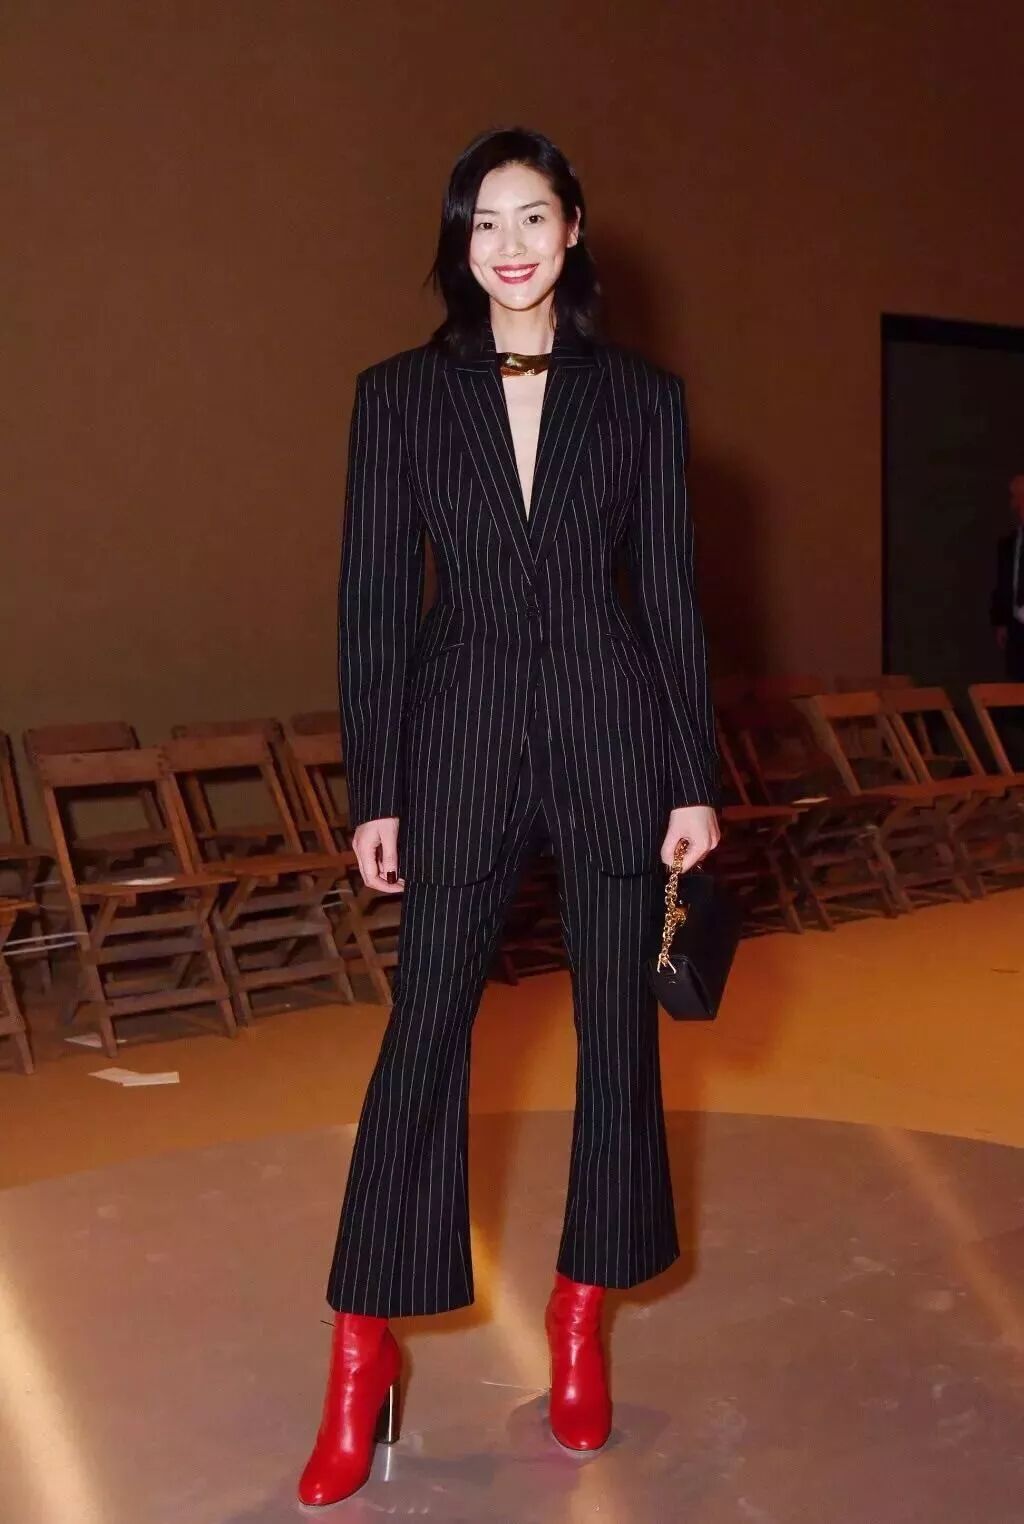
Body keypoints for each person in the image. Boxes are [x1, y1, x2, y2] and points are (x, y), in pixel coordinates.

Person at [297, 126, 721, 1507]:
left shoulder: (643, 400)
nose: (510, 245)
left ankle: (580, 1318)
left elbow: (671, 595)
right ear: (459, 244)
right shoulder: (397, 398)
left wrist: (692, 774)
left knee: (618, 1044)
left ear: (574, 227)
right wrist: (377, 791)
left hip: (614, 738)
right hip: (457, 742)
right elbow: (373, 605)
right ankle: (359, 1357)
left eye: (533, 216)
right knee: (422, 1037)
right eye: (483, 223)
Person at [991, 474, 1024, 681]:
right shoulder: (1009, 544)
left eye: (1016, 496)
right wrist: (1001, 621)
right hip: (1016, 627)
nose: (1013, 503)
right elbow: (1003, 585)